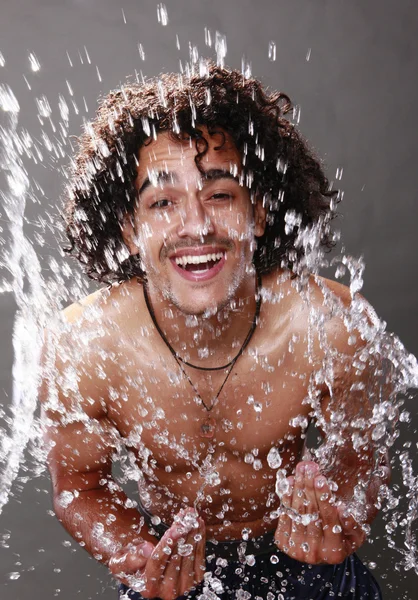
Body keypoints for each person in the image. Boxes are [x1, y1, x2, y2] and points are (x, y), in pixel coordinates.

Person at [40, 63, 389, 599]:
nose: (196, 225)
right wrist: (131, 550)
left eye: (221, 195)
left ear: (260, 213)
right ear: (131, 230)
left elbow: (361, 463)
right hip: (170, 566)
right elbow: (79, 488)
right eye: (162, 202)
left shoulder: (329, 325)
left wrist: (339, 515)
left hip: (307, 559)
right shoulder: (87, 345)